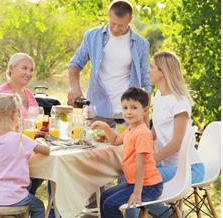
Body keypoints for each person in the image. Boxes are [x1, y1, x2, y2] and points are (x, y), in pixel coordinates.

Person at [125, 51, 205, 217]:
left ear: (162, 72)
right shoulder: (159, 96)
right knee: (128, 174)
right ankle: (169, 214)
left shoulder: (180, 101)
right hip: (167, 165)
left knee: (137, 179)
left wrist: (150, 161)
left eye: (152, 66)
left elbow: (176, 144)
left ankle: (170, 215)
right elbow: (154, 132)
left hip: (188, 167)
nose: (149, 70)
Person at [68, 0, 151, 127]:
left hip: (129, 115)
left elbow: (146, 81)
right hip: (97, 111)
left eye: (121, 26)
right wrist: (75, 88)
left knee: (125, 148)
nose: (116, 29)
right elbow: (75, 64)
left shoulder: (141, 44)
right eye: (112, 24)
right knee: (94, 146)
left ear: (130, 19)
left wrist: (145, 117)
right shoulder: (92, 36)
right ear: (108, 15)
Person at [91, 87, 163, 218]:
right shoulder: (131, 129)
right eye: (125, 108)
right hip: (135, 183)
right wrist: (106, 127)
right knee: (105, 197)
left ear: (145, 111)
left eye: (134, 108)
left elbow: (140, 165)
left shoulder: (142, 132)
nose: (128, 112)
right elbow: (116, 140)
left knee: (110, 204)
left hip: (148, 186)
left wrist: (137, 193)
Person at [0, 93, 50, 218]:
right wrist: (40, 142)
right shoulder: (20, 139)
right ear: (13, 114)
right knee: (38, 206)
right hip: (14, 196)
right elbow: (46, 151)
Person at [0, 52, 39, 119]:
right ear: (11, 68)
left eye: (31, 70)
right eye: (24, 68)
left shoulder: (29, 94)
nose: (28, 73)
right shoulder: (0, 94)